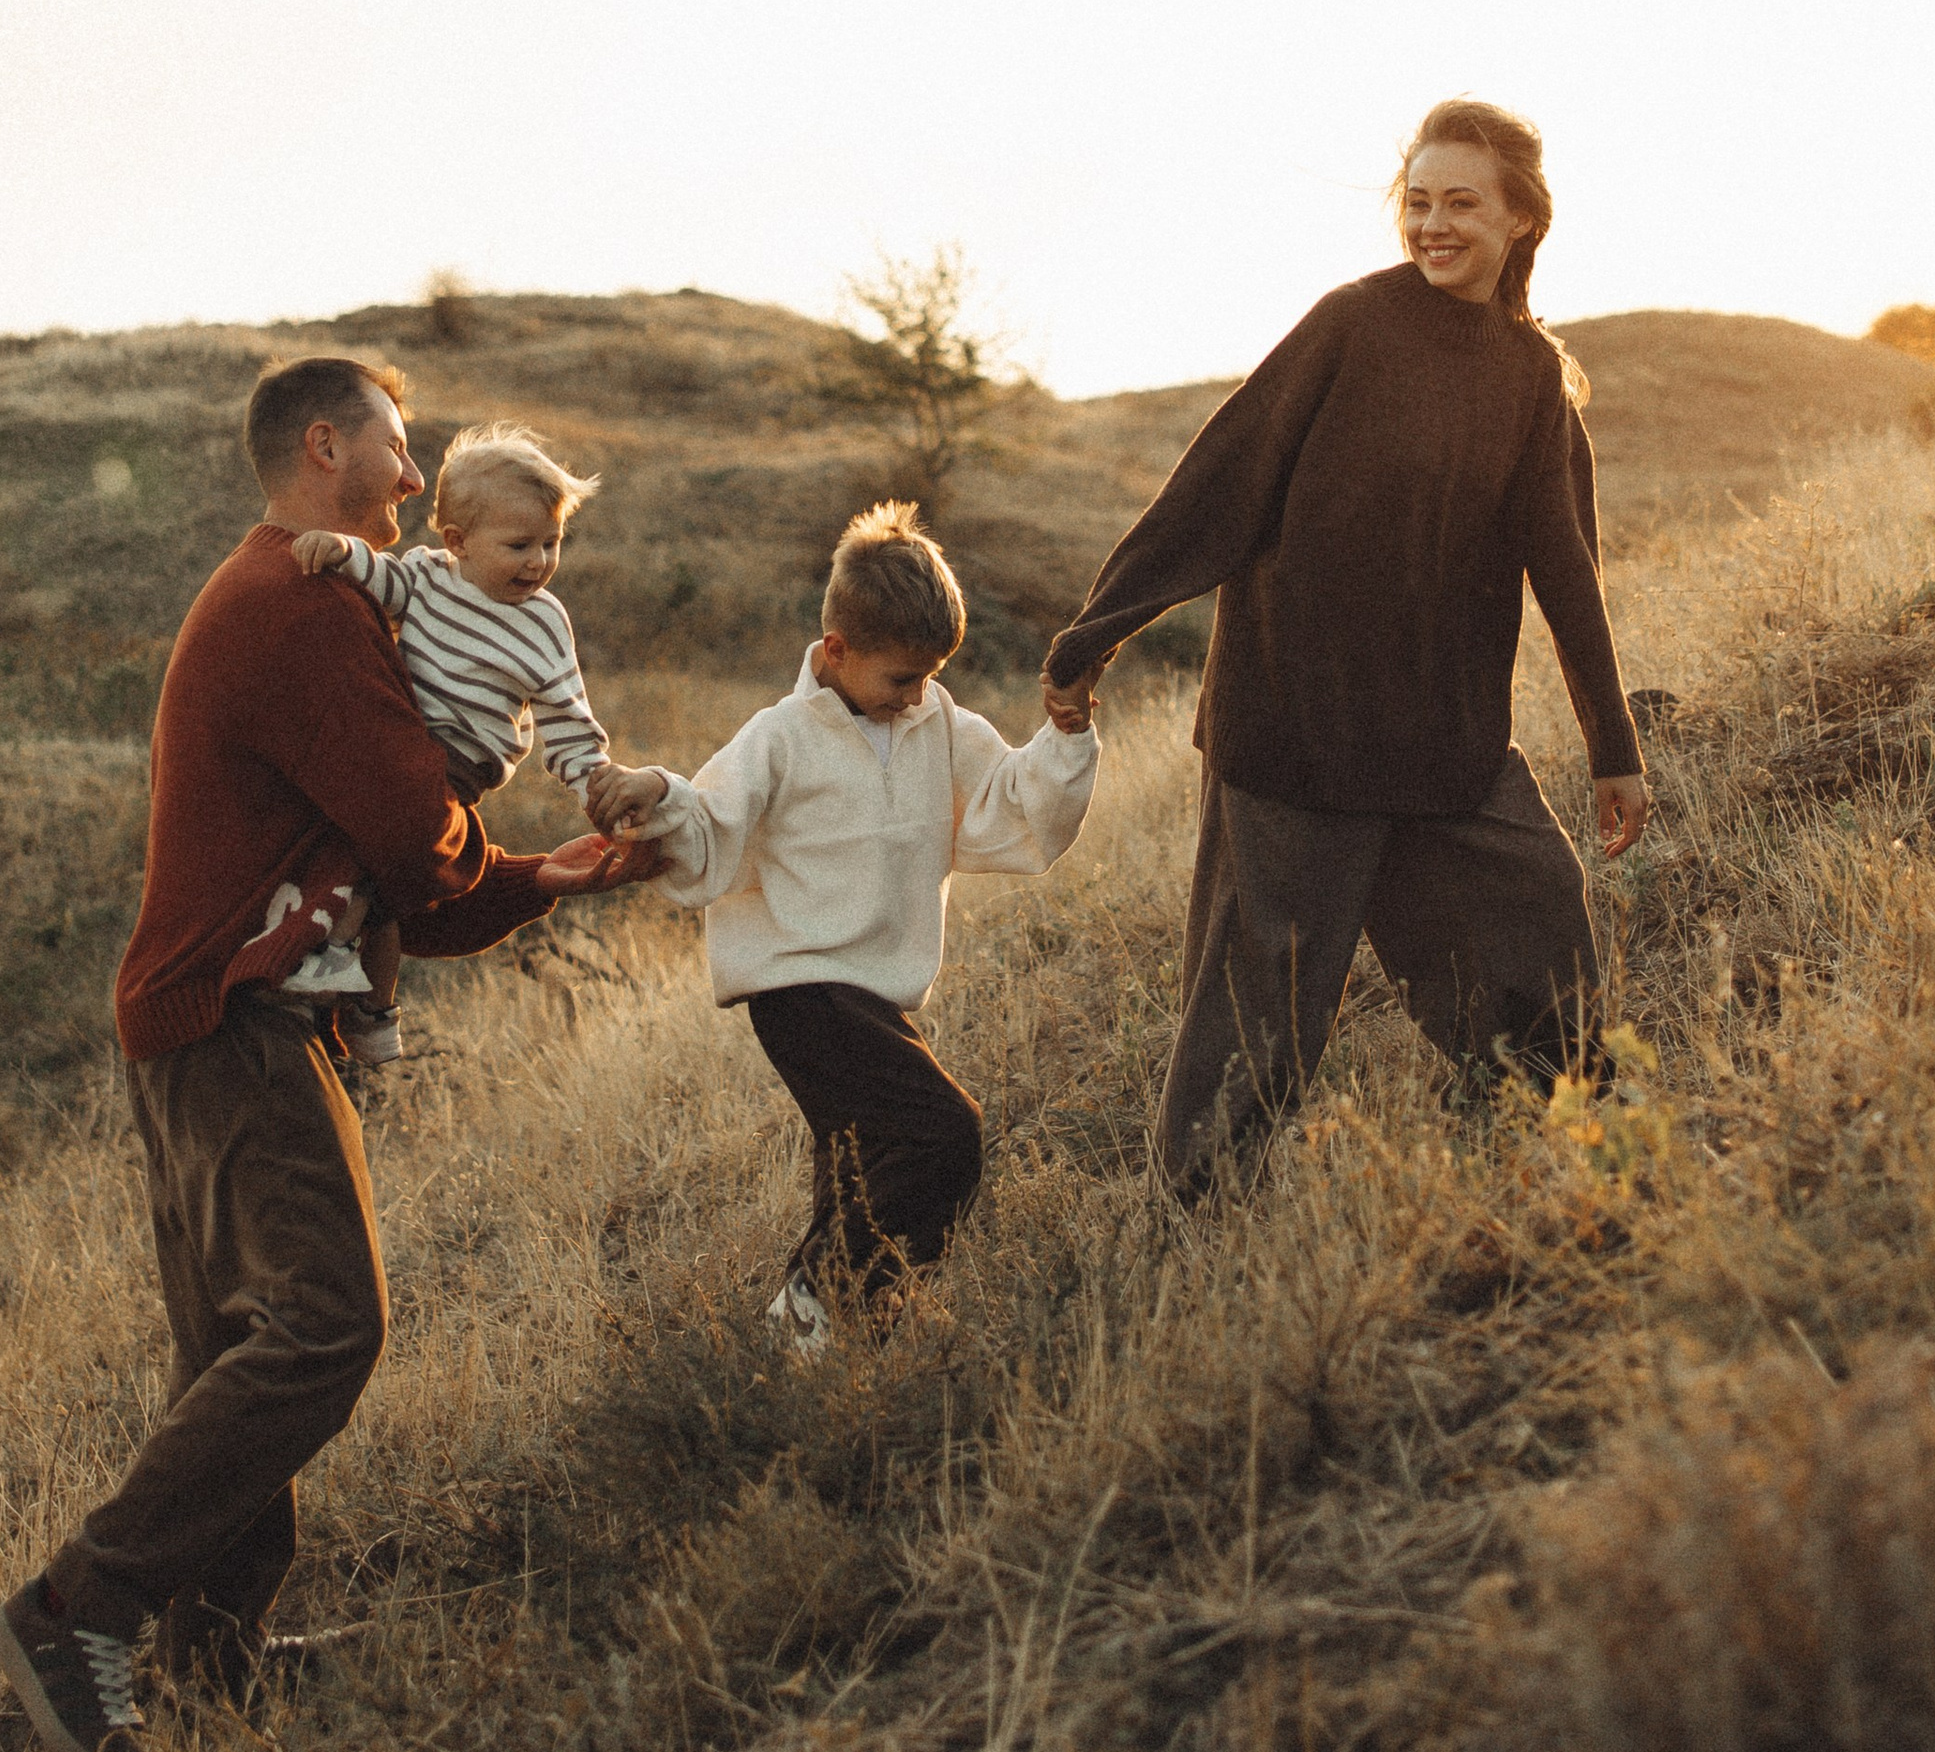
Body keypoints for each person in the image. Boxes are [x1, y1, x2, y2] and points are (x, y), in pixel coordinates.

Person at [0, 357, 656, 1752]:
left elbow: (403, 871)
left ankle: (215, 1667)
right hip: (236, 1019)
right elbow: (415, 832)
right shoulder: (298, 605)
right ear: (325, 445)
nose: (415, 477)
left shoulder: (324, 599)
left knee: (237, 1351)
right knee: (328, 1326)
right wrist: (493, 838)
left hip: (215, 1016)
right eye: (400, 450)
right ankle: (75, 1609)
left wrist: (541, 875)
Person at [1040, 97, 1649, 1187]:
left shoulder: (1528, 380)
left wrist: (1615, 746)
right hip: (1294, 735)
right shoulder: (1350, 326)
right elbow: (1220, 481)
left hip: (1443, 745)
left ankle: (1566, 1149)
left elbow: (1568, 570)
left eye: (1461, 204)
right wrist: (1098, 632)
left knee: (1538, 922)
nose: (1432, 225)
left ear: (1520, 219)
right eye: (1418, 202)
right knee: (1260, 1017)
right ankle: (1199, 1216)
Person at [588, 503, 1097, 1349]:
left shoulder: (939, 725)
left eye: (930, 676)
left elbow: (1013, 802)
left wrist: (1067, 735)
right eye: (901, 678)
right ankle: (814, 1305)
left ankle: (827, 1345)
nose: (916, 694)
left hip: (875, 997)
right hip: (799, 989)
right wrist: (658, 791)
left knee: (860, 1171)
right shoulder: (779, 738)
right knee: (944, 1135)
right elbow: (711, 822)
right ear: (836, 650)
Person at [289, 419, 612, 1064]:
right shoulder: (428, 576)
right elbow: (382, 581)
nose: (539, 562)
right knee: (383, 895)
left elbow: (568, 718)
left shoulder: (544, 622)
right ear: (458, 542)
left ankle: (336, 964)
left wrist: (595, 785)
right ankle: (371, 1014)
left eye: (552, 543)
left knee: (375, 867)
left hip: (460, 764)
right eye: (520, 545)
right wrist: (340, 550)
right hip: (400, 741)